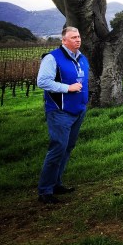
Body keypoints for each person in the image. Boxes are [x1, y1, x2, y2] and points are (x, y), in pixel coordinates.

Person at [37, 26, 89, 204]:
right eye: (73, 37)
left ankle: (56, 183)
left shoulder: (82, 58)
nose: (77, 39)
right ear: (63, 40)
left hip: (78, 110)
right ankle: (45, 190)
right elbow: (42, 81)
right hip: (60, 111)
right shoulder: (52, 58)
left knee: (67, 148)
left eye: (79, 36)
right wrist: (67, 88)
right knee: (58, 148)